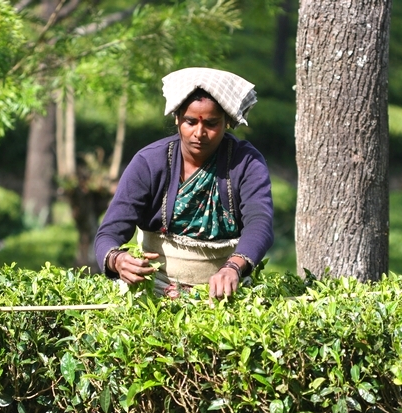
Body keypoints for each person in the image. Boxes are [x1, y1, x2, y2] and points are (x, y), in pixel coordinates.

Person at [94, 67, 274, 298]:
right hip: (155, 292)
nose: (199, 133)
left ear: (227, 122)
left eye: (211, 123)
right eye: (190, 122)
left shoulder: (245, 163)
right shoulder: (149, 162)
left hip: (226, 291)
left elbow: (260, 222)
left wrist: (232, 268)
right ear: (177, 118)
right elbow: (109, 232)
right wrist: (117, 260)